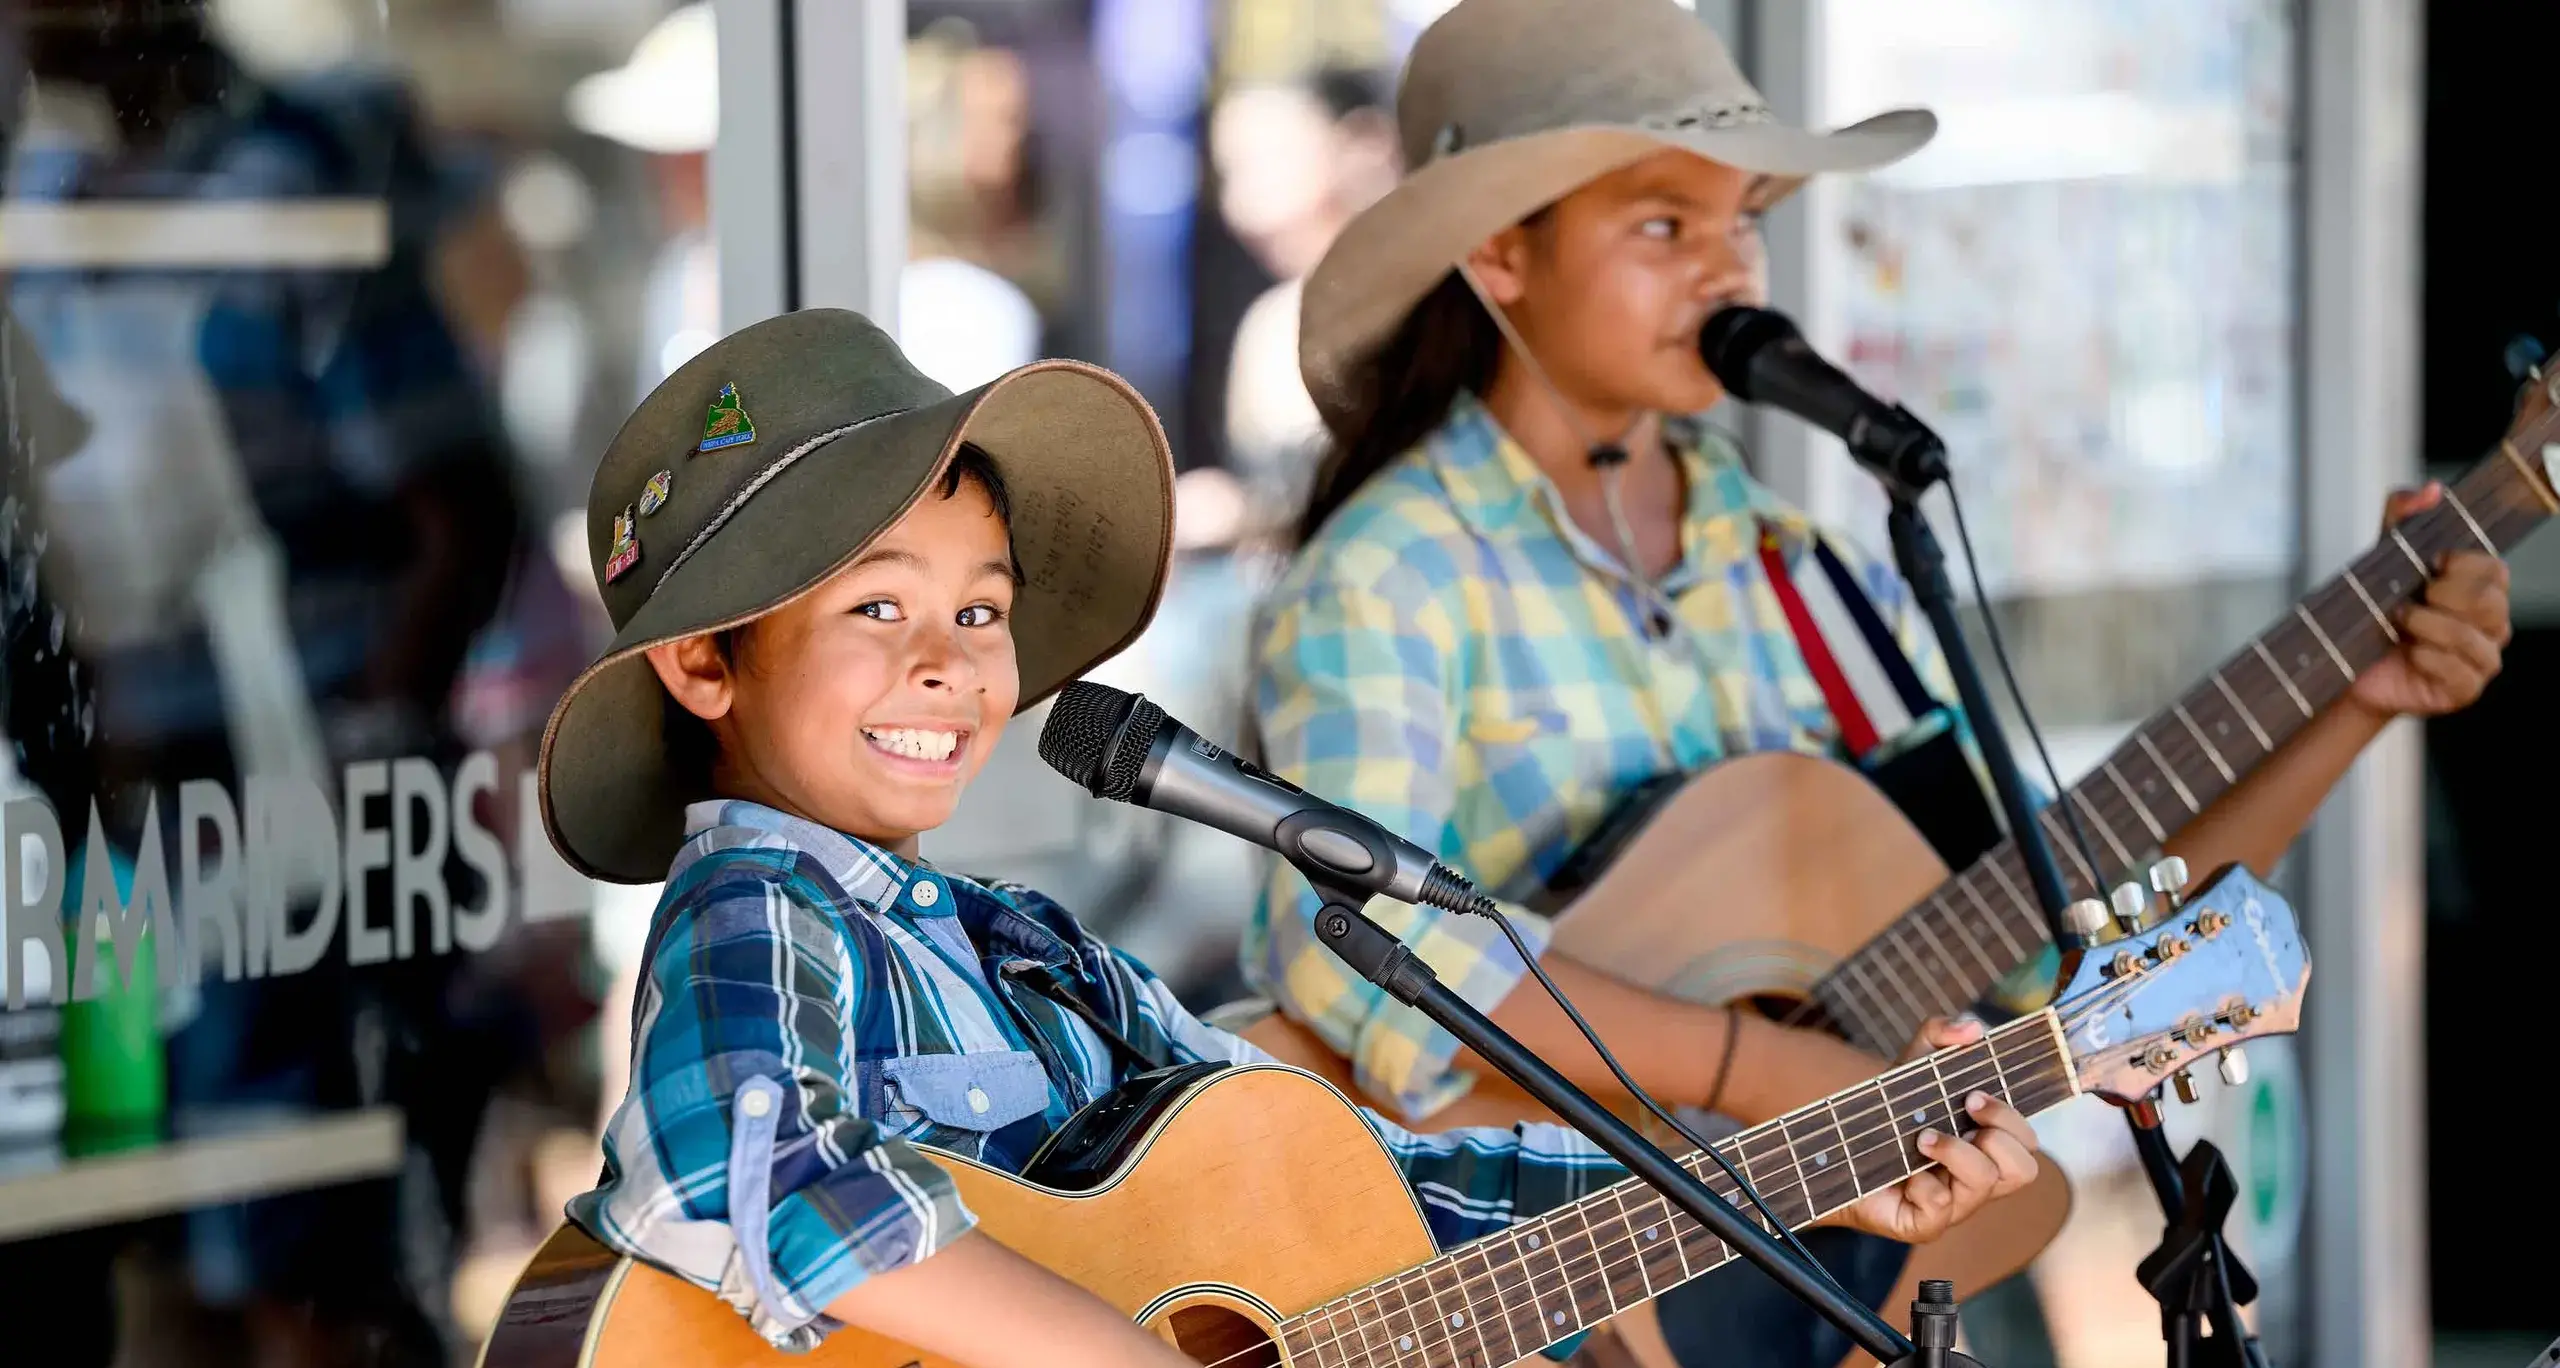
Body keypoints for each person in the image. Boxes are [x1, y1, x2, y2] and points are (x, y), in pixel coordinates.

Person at [1240, 1, 2513, 1365]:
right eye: (1664, 226)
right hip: (1527, 1295)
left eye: (1745, 222)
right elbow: (1359, 953)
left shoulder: (1814, 578)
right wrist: (1779, 1074)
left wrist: (2361, 697)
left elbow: (2057, 929)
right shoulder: (1392, 572)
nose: (1728, 270)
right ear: (1499, 253)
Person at [540, 308, 2041, 1365]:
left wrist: (1779, 1186)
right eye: (878, 606)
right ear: (706, 663)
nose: (949, 664)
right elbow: (728, 1165)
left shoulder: (1028, 950)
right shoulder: (762, 908)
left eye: (981, 612)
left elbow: (1379, 1191)